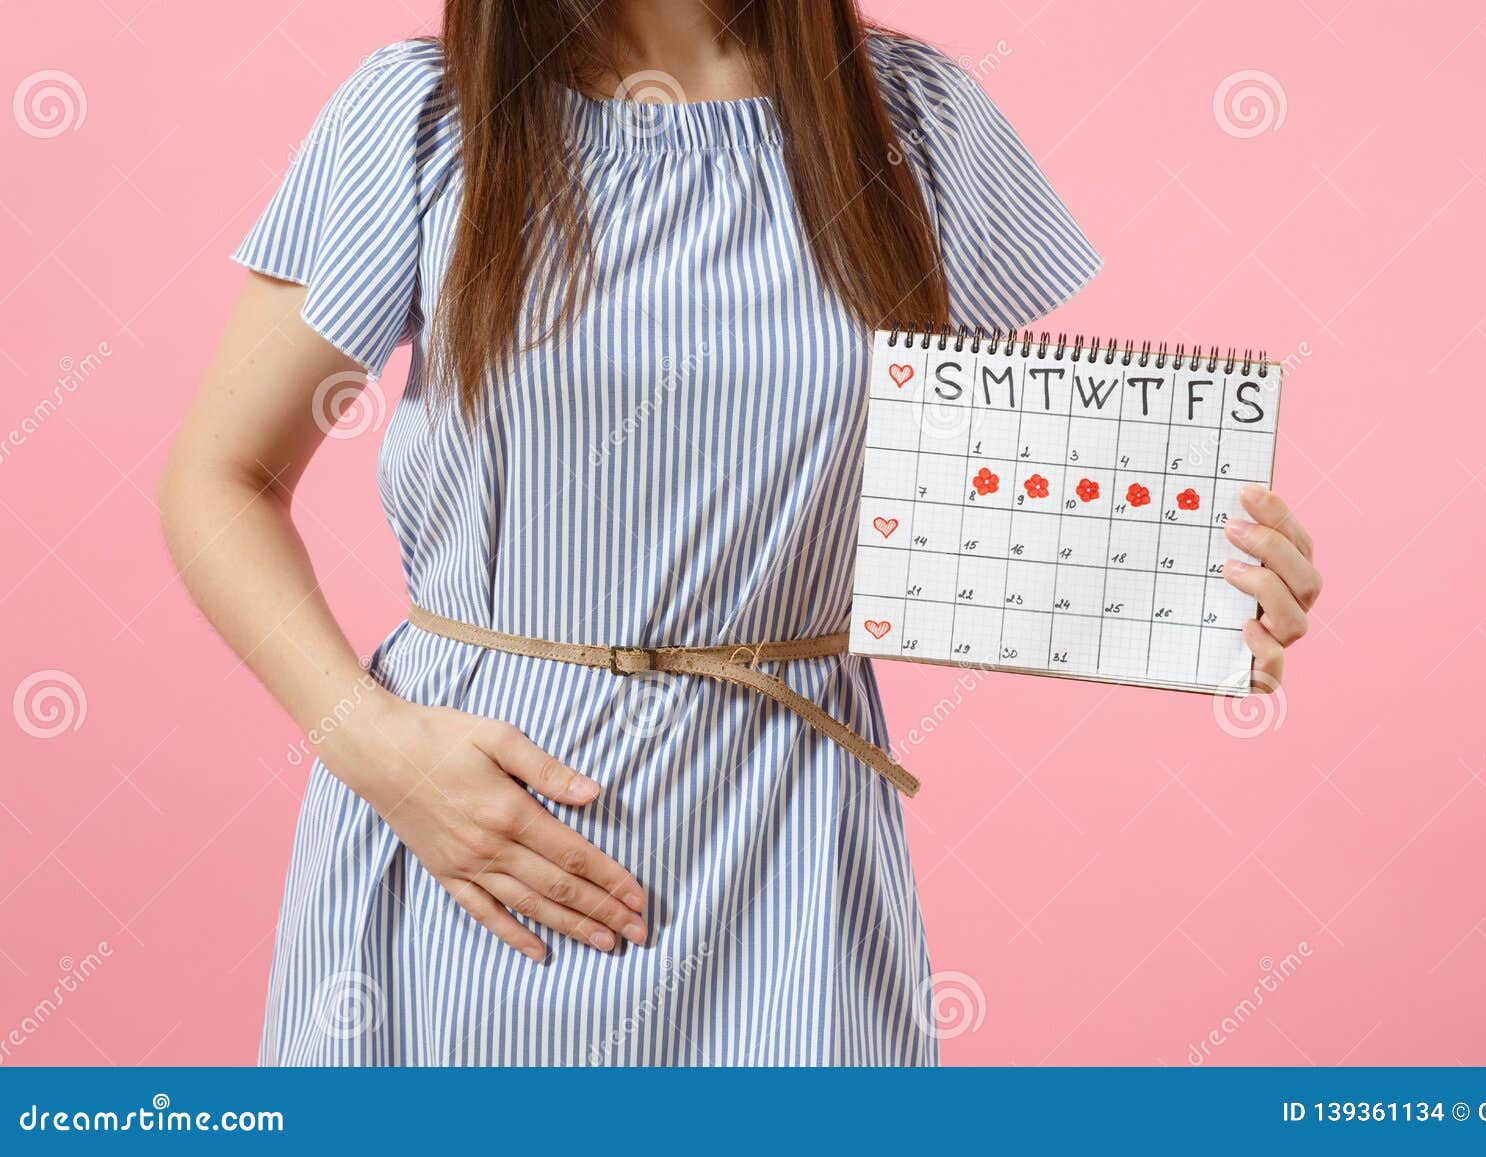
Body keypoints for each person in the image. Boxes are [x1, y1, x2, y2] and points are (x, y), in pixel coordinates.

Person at [159, 0, 1322, 1065]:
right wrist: (379, 752)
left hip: (792, 844)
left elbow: (986, 507)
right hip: (478, 843)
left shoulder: (915, 119)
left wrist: (1208, 579)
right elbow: (220, 477)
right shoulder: (421, 117)